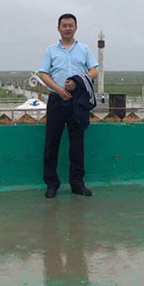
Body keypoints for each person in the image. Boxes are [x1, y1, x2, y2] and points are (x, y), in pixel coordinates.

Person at [38, 13, 98, 198]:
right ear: (58, 28)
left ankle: (77, 184)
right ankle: (51, 184)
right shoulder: (51, 50)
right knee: (51, 143)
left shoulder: (84, 49)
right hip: (57, 100)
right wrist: (59, 89)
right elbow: (43, 73)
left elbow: (94, 71)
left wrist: (77, 82)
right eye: (64, 25)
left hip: (77, 102)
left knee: (77, 144)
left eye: (70, 25)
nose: (67, 28)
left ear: (75, 28)